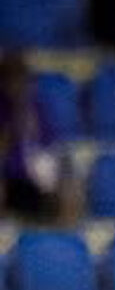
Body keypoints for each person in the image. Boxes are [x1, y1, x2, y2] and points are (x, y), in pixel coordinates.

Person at [0, 53, 72, 223]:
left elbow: (51, 145)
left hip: (37, 181)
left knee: (67, 176)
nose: (17, 85)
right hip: (9, 178)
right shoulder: (2, 109)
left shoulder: (37, 108)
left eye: (21, 79)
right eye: (11, 79)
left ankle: (61, 241)